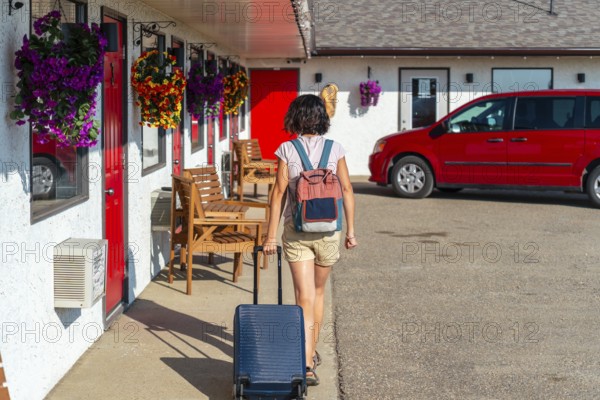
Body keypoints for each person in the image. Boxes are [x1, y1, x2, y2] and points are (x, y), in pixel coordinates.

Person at [262, 94, 357, 386]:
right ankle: (311, 353)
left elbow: (278, 193)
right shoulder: (335, 148)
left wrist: (270, 237)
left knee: (303, 297)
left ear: (295, 118)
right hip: (329, 231)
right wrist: (351, 232)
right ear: (322, 119)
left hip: (297, 231)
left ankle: (304, 364)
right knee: (317, 294)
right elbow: (348, 189)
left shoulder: (286, 149)